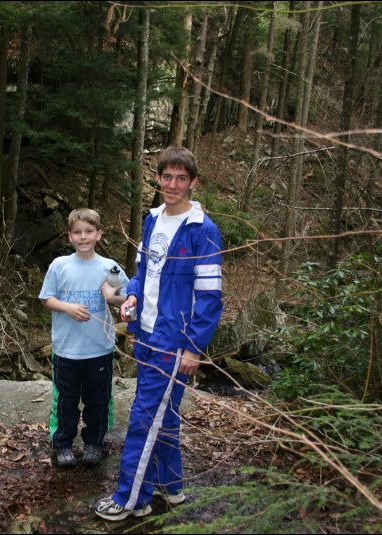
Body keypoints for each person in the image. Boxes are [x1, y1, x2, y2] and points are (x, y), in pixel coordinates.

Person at [94, 146, 223, 520]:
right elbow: (142, 274)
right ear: (158, 178)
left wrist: (193, 347)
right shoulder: (152, 220)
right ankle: (171, 485)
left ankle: (130, 499)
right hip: (147, 332)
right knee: (163, 416)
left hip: (174, 340)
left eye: (181, 178)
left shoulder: (202, 231)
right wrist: (132, 297)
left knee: (144, 418)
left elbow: (210, 296)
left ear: (193, 183)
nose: (173, 184)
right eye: (167, 177)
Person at [39, 208, 129, 468]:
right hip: (66, 349)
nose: (83, 237)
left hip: (99, 349)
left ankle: (94, 443)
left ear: (99, 234)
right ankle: (62, 444)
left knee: (98, 400)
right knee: (65, 400)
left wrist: (116, 298)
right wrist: (67, 308)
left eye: (89, 231)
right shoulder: (60, 265)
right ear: (70, 236)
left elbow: (126, 297)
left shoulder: (109, 267)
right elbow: (46, 298)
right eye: (77, 232)